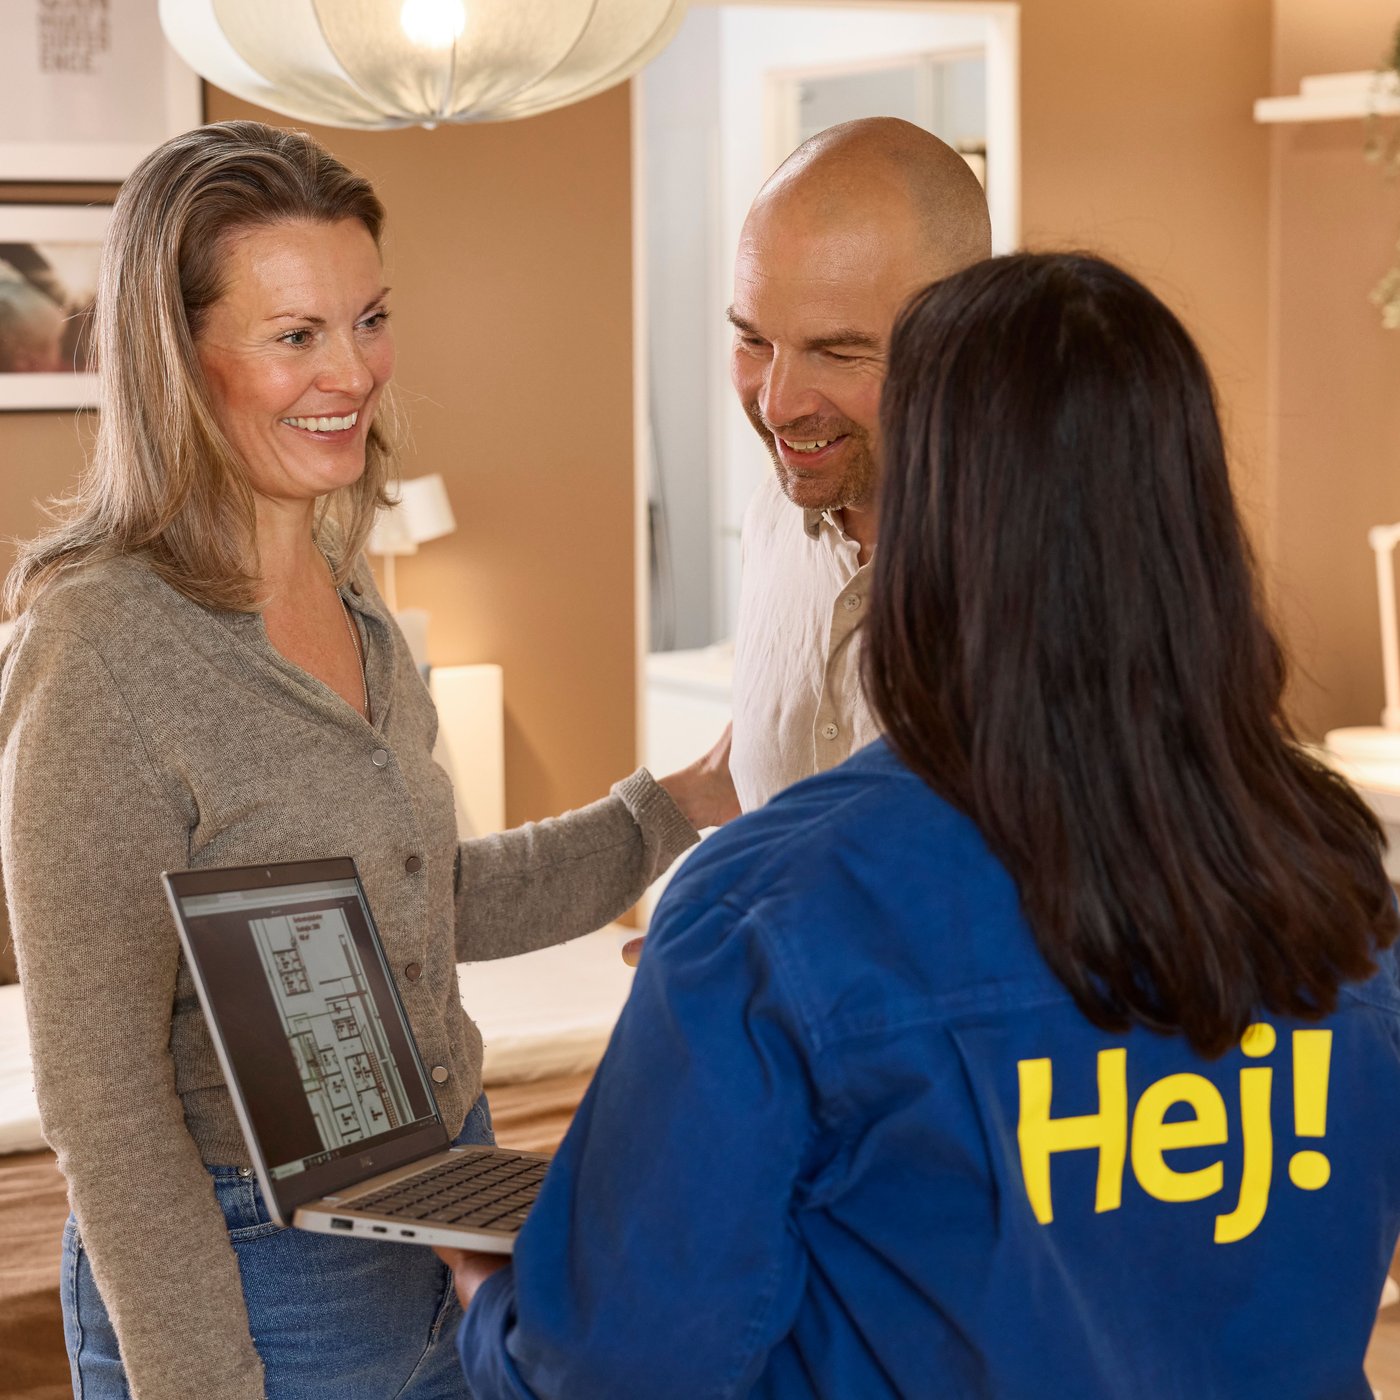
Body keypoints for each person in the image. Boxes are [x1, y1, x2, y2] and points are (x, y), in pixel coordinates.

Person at [441, 253, 1400, 1397]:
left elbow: (608, 1367)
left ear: (925, 528)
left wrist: (494, 1300)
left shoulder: (768, 911)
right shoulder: (1336, 872)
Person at [0, 120, 731, 1400]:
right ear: (177, 358)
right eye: (295, 335)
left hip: (439, 1212)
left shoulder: (350, 593)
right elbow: (105, 1102)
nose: (353, 371)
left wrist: (682, 802)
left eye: (370, 317)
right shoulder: (97, 646)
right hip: (253, 1277)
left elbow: (433, 897)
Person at [726, 116, 990, 812]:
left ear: (959, 338)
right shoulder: (770, 521)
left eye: (838, 353)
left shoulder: (1050, 561)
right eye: (752, 339)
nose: (777, 406)